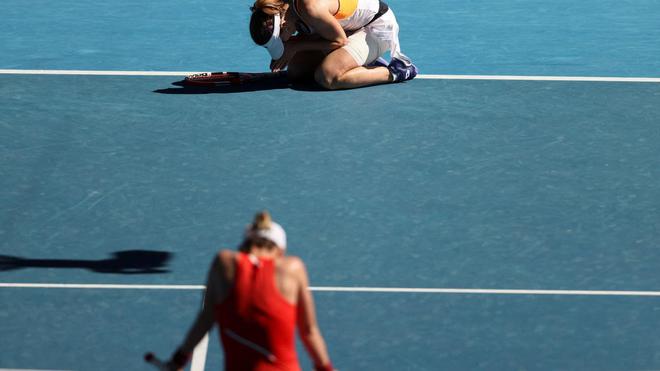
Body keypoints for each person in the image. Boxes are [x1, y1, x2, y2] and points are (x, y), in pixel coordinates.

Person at [163, 211, 334, 371]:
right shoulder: (292, 268)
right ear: (280, 251)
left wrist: (179, 359)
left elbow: (206, 319)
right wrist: (327, 369)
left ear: (245, 243)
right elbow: (309, 331)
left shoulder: (223, 263)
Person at [249, 0, 418, 89]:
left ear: (283, 24)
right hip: (350, 29)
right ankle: (361, 59)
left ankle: (396, 71)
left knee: (328, 77)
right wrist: (293, 46)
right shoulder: (287, 9)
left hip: (376, 28)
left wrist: (296, 46)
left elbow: (339, 41)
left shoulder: (309, 7)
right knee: (297, 72)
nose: (284, 42)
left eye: (281, 39)